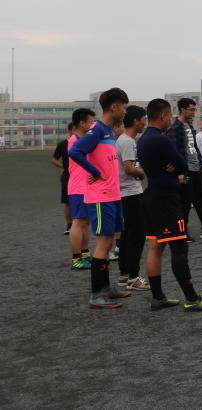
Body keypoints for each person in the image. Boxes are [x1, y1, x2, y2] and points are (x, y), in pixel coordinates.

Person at [137, 98, 202, 311]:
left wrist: (174, 165)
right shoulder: (161, 139)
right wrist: (176, 165)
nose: (170, 119)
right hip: (166, 200)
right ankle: (192, 299)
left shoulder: (143, 138)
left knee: (155, 247)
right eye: (169, 115)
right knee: (179, 248)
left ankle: (158, 297)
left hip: (151, 196)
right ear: (163, 115)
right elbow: (183, 164)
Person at [69, 87, 131, 308]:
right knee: (104, 243)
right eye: (124, 108)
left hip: (113, 195)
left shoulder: (108, 131)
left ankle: (106, 288)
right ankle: (97, 295)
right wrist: (94, 172)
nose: (125, 112)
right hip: (101, 196)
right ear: (114, 107)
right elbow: (74, 152)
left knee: (110, 241)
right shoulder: (96, 130)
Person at [168, 98, 202, 240]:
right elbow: (173, 152)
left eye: (194, 109)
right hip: (185, 172)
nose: (193, 112)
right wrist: (179, 172)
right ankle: (182, 233)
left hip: (196, 170)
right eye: (191, 110)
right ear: (182, 109)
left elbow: (194, 149)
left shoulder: (190, 126)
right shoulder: (175, 129)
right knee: (184, 204)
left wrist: (201, 166)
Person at [115, 105, 149, 292]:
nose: (145, 122)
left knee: (127, 236)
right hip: (131, 194)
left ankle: (124, 275)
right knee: (136, 236)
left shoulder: (123, 140)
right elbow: (129, 168)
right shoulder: (127, 141)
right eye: (144, 119)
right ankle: (133, 278)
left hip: (126, 194)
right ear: (136, 120)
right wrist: (142, 172)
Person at [66, 108, 96, 270]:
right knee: (78, 222)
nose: (93, 124)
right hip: (78, 187)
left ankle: (84, 254)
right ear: (82, 123)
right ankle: (76, 259)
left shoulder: (82, 139)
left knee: (85, 222)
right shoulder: (74, 140)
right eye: (91, 122)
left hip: (86, 187)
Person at [51, 122, 73, 235]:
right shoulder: (63, 144)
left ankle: (82, 223)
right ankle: (69, 225)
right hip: (67, 177)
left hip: (82, 177)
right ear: (69, 131)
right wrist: (64, 166)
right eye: (73, 130)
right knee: (67, 202)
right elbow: (54, 159)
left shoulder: (84, 143)